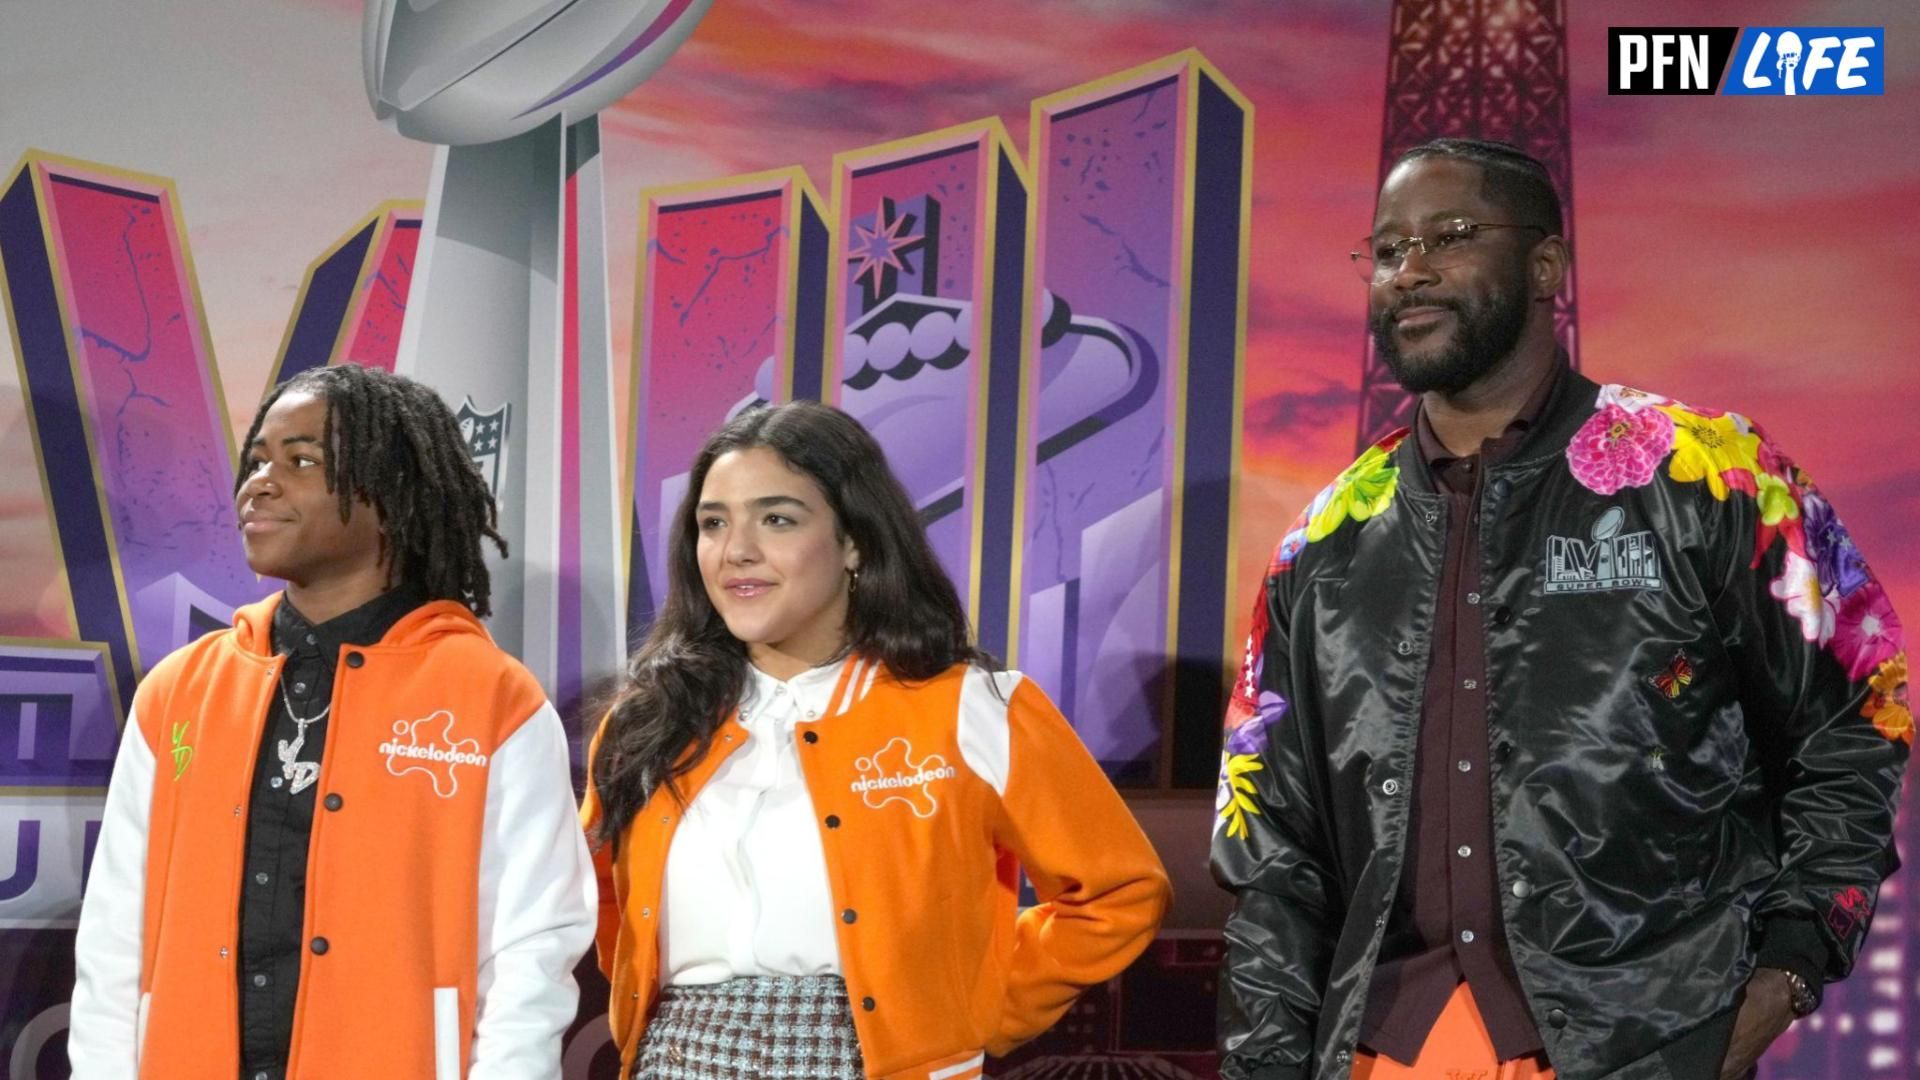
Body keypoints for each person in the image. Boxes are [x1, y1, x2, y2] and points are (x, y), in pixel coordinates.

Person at [1212, 138, 1908, 1080]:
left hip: (1649, 1042)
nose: (1409, 270)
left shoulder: (1712, 478)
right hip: (1383, 1050)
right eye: (1385, 250)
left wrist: (1787, 970)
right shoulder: (1323, 543)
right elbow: (1275, 855)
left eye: (1449, 236)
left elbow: (1856, 722)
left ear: (1546, 264)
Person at [582, 400, 1171, 1079]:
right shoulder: (646, 723)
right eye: (713, 523)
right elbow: (605, 906)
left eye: (777, 519)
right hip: (679, 1058)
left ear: (855, 542)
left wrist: (976, 1008)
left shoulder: (969, 706)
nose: (736, 550)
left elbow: (1118, 892)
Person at [69, 364, 597, 1079]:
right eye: (258, 460)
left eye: (303, 460)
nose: (261, 482)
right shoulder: (177, 691)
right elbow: (113, 938)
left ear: (391, 495)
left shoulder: (493, 697)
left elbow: (533, 946)